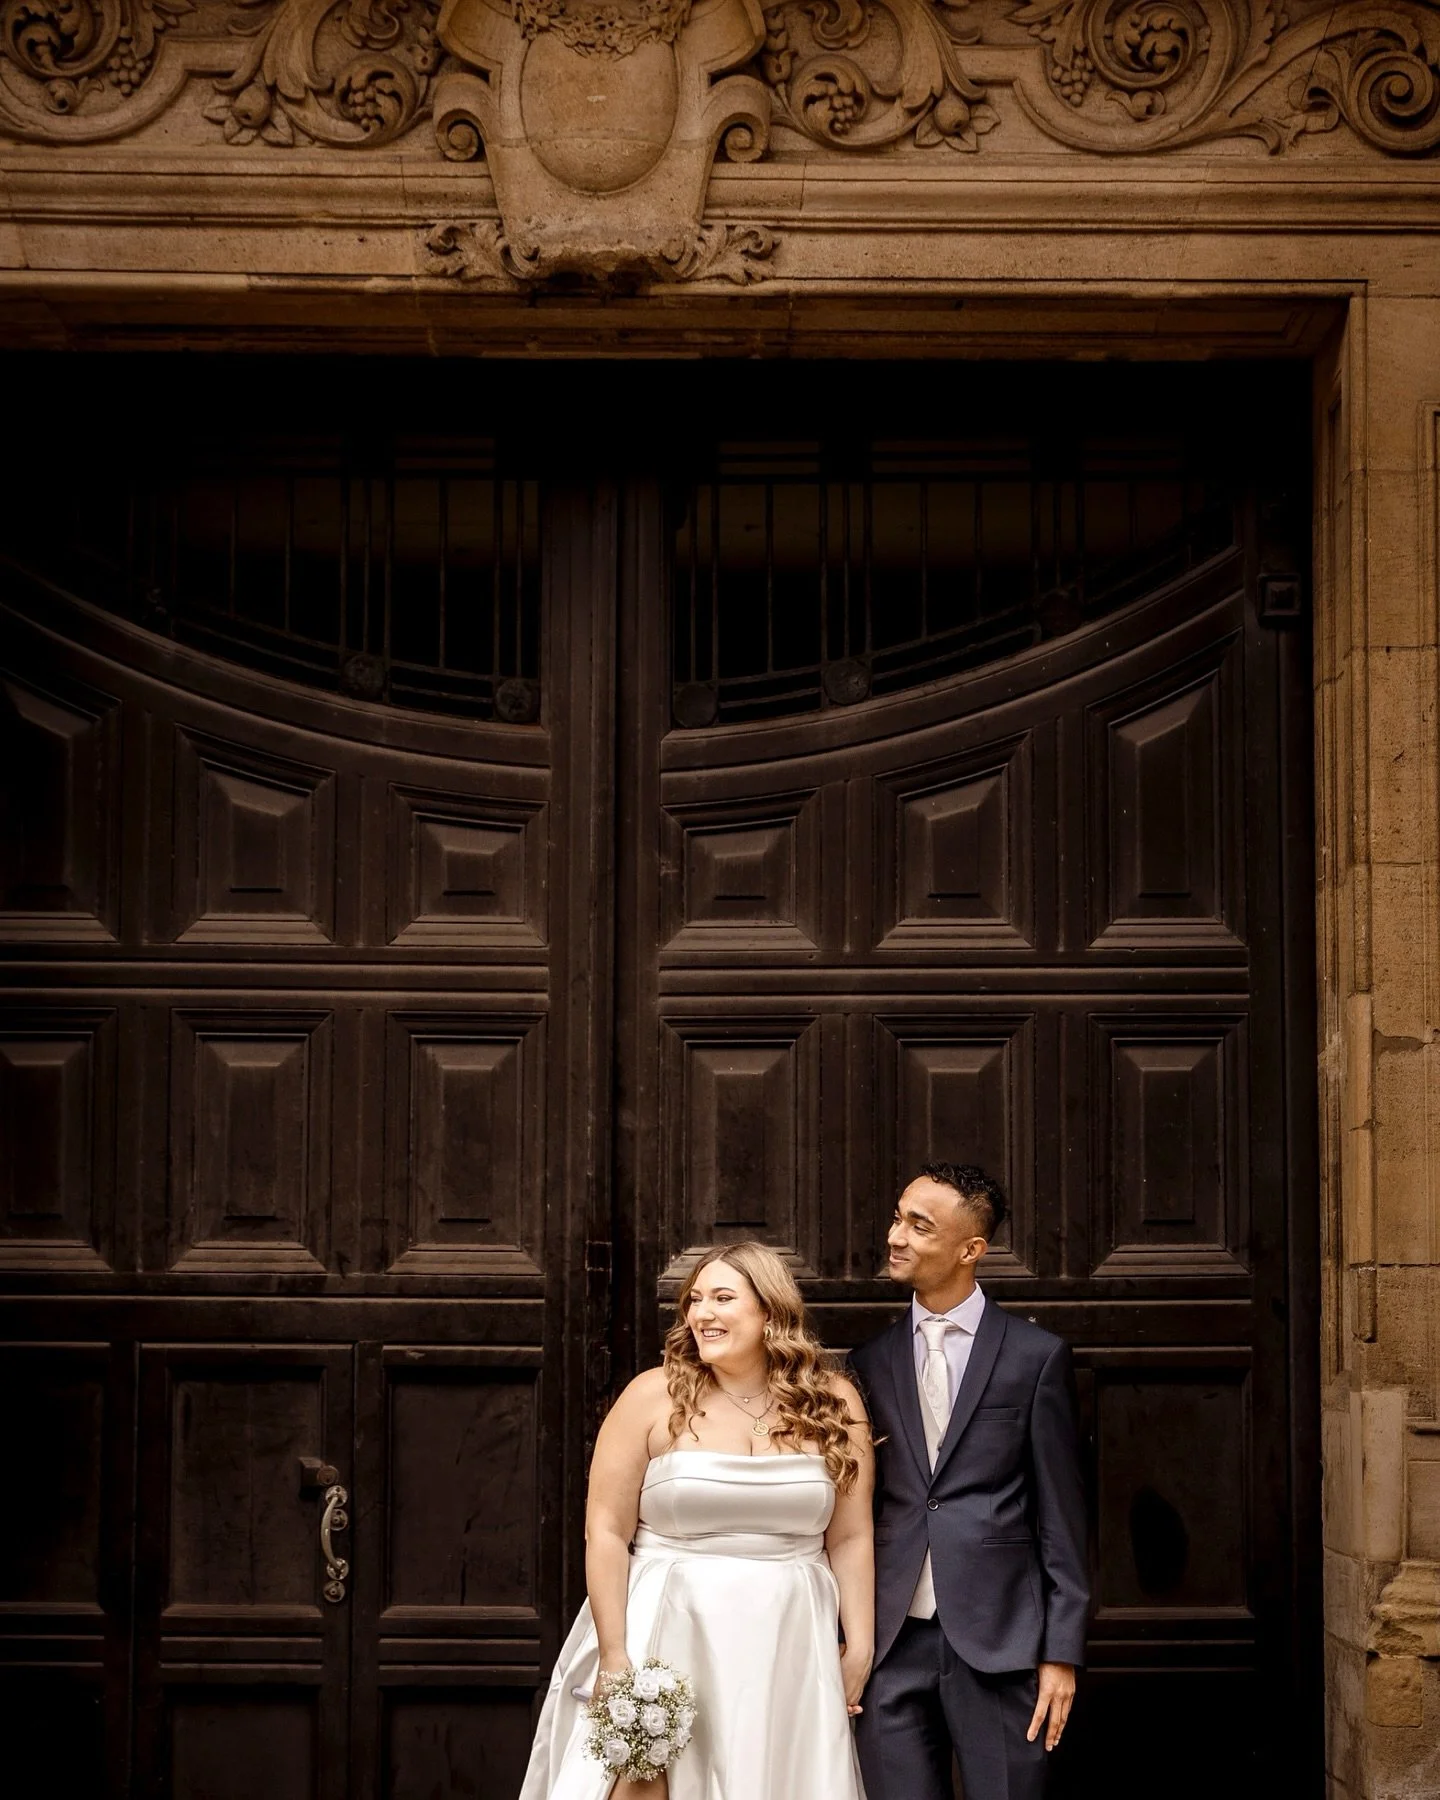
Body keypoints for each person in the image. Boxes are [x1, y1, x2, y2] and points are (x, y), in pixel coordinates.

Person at [520, 1240, 874, 1800]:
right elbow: (606, 1531)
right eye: (695, 1300)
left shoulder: (832, 1402)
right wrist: (614, 1656)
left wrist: (859, 1644)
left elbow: (851, 1536)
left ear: (770, 1312)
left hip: (791, 1639)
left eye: (723, 1298)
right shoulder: (652, 1396)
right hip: (670, 1630)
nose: (702, 1314)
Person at [850, 1162, 1089, 1800]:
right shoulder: (868, 1361)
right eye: (898, 1218)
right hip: (891, 1642)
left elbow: (1061, 1517)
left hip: (1002, 1643)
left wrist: (1060, 1652)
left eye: (918, 1226)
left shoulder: (1035, 1358)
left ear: (970, 1249)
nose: (896, 1235)